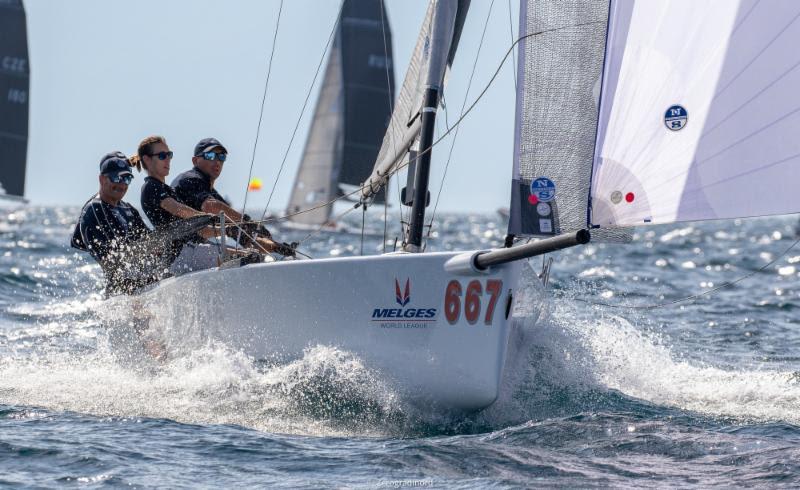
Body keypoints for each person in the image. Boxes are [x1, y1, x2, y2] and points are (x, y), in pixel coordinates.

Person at [172, 137, 295, 256]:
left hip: (190, 250)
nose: (217, 161)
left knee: (252, 256)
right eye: (210, 156)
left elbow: (241, 236)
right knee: (247, 259)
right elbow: (210, 206)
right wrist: (248, 221)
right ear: (195, 161)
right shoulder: (189, 179)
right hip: (178, 252)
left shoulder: (212, 194)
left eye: (221, 157)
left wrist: (275, 247)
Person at [71, 152, 164, 295]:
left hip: (145, 283)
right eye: (116, 178)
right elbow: (111, 261)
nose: (121, 184)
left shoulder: (128, 209)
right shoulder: (93, 210)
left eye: (126, 179)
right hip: (122, 294)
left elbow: (151, 241)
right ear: (102, 179)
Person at [131, 135, 220, 275]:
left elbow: (198, 230)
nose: (168, 159)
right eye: (162, 156)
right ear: (147, 160)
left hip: (192, 250)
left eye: (169, 155)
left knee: (247, 254)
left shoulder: (166, 189)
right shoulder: (150, 187)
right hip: (181, 255)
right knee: (242, 257)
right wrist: (207, 216)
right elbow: (177, 209)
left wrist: (227, 227)